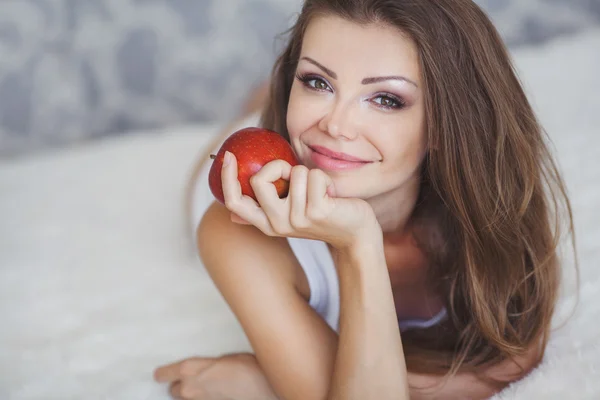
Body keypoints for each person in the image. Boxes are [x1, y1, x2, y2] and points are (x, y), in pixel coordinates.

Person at [153, 0, 577, 398]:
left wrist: (273, 383)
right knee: (252, 121)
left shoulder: (495, 200)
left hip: (325, 152)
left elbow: (513, 363)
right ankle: (263, 98)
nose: (337, 124)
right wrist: (359, 244)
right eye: (316, 81)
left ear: (447, 126)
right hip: (253, 166)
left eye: (386, 99)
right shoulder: (234, 233)